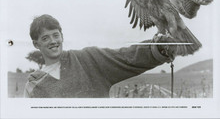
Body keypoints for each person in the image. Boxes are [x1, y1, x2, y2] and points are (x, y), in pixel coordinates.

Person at [24, 14, 177, 98]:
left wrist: (157, 48)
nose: (53, 41)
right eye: (45, 38)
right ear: (36, 44)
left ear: (62, 36)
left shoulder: (87, 59)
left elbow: (125, 57)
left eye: (55, 35)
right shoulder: (34, 87)